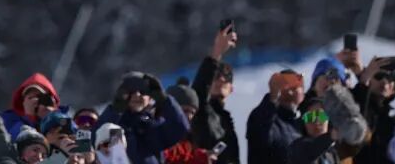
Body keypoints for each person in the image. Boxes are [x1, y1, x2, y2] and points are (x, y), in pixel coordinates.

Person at [96, 71, 190, 164]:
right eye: (131, 91)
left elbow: (180, 129)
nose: (137, 95)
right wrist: (116, 108)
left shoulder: (153, 125)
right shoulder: (115, 123)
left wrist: (164, 100)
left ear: (150, 97)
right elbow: (98, 138)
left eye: (143, 91)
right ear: (122, 94)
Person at [189, 24, 239, 164]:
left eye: (227, 76)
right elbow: (198, 94)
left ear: (231, 89)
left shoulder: (226, 120)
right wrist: (217, 52)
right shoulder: (202, 113)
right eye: (216, 75)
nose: (221, 79)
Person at [247, 69, 306, 164]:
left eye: (297, 85)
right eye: (285, 84)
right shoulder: (265, 116)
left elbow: (326, 125)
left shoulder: (305, 118)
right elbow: (260, 135)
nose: (290, 90)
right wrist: (272, 97)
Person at [353, 59, 395, 164]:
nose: (384, 82)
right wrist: (363, 81)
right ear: (369, 80)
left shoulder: (394, 121)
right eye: (379, 76)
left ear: (394, 89)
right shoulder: (354, 102)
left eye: (390, 78)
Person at [1, 74, 62, 140]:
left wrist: (52, 118)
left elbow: (69, 137)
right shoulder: (10, 120)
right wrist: (30, 117)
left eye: (39, 97)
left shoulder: (62, 118)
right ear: (23, 102)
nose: (34, 101)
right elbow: (19, 139)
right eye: (30, 98)